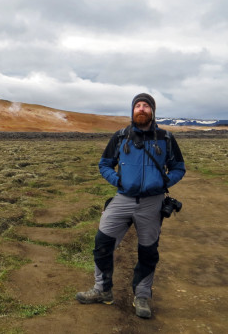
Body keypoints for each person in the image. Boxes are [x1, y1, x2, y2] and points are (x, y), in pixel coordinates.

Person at [75, 93, 186, 318]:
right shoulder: (120, 137)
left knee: (148, 251)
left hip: (152, 204)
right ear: (132, 110)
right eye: (138, 105)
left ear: (152, 111)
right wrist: (118, 181)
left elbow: (178, 168)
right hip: (123, 200)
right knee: (102, 244)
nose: (142, 109)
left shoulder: (166, 137)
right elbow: (104, 164)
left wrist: (163, 182)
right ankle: (102, 290)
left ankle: (142, 296)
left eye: (146, 106)